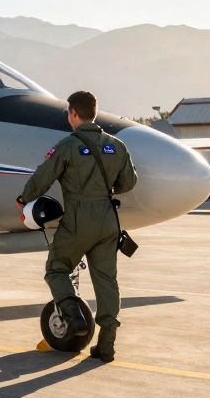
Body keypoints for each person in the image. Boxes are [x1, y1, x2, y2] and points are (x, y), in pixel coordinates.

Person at [16, 90, 137, 362]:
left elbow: (43, 176)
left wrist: (24, 199)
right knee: (107, 281)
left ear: (73, 113)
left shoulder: (68, 145)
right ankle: (107, 345)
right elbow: (129, 183)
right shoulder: (116, 146)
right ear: (94, 112)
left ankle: (75, 318)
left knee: (56, 269)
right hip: (108, 219)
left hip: (79, 219)